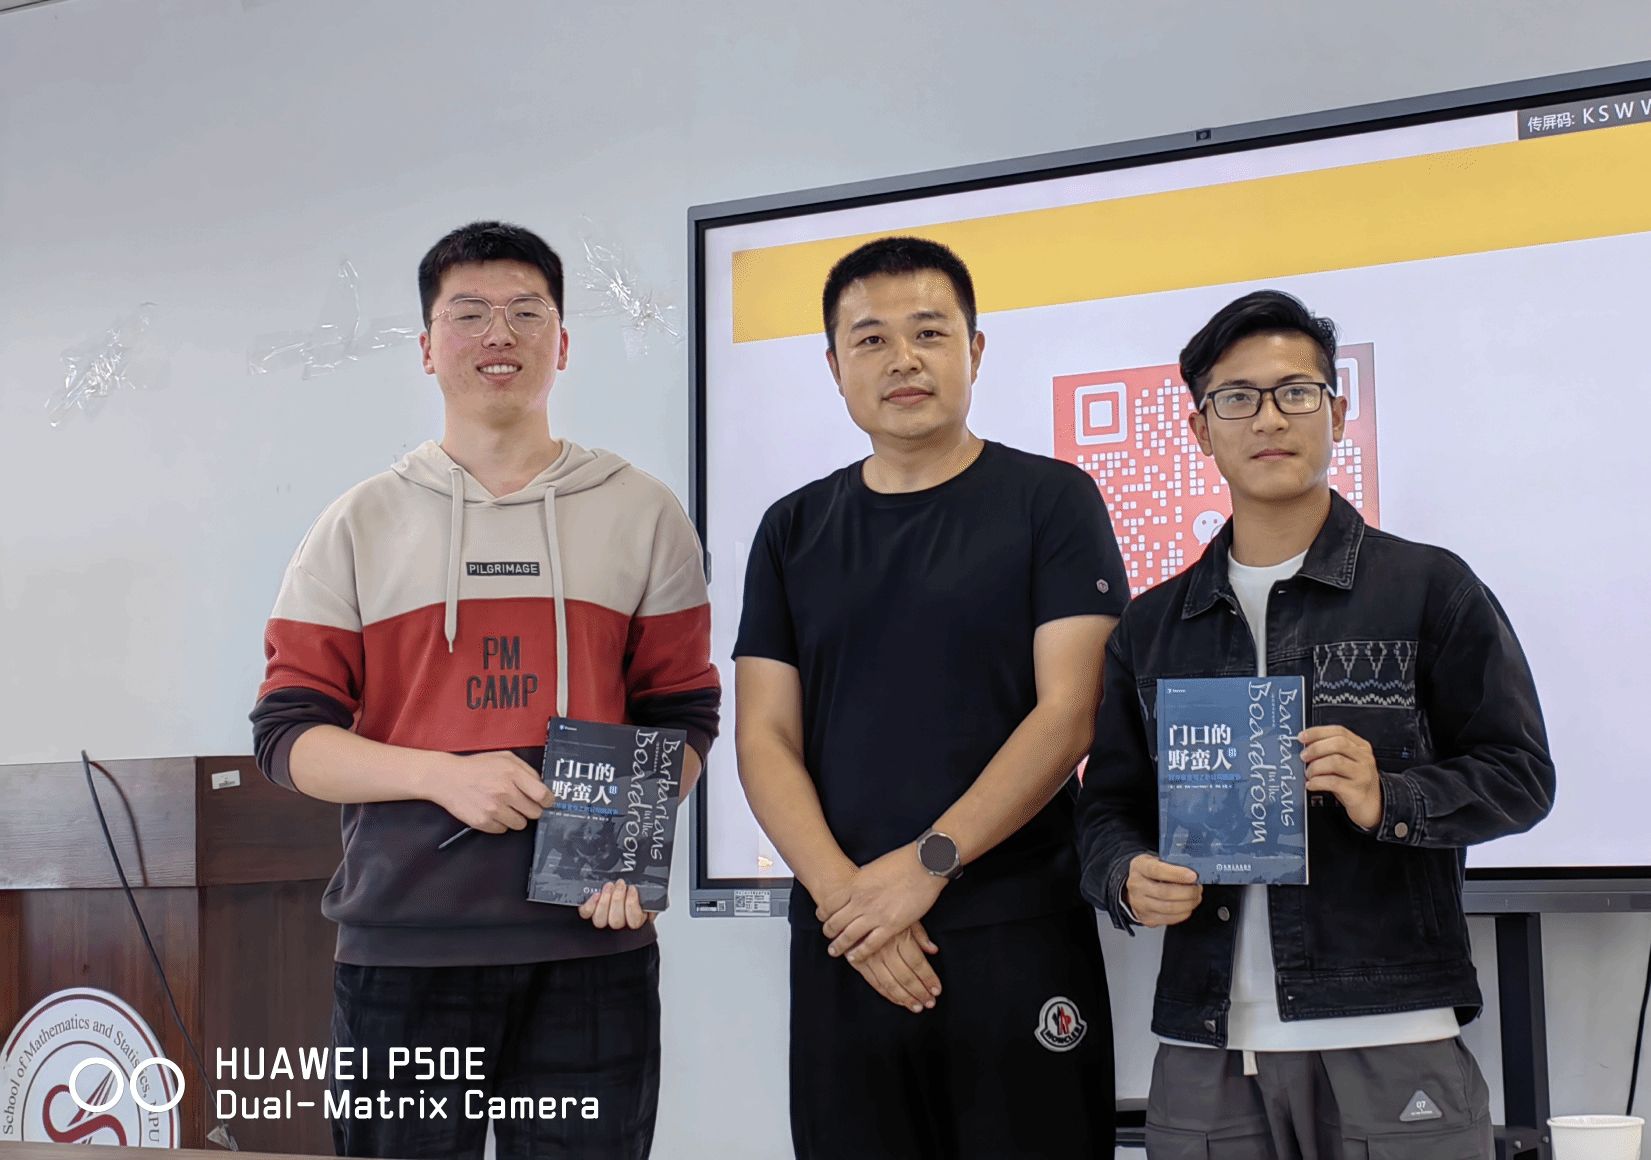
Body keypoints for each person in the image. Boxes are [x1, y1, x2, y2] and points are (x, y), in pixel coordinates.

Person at [249, 221, 719, 1160]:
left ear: (562, 342)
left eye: (525, 313)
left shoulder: (644, 512)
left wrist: (632, 850)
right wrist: (442, 775)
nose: (498, 334)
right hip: (403, 952)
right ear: (427, 348)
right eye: (468, 314)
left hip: (591, 952)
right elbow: (288, 736)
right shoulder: (357, 524)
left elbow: (682, 714)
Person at [1076, 290, 1555, 1160]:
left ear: (1335, 413)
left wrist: (1389, 796)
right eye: (1237, 398)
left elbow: (1520, 775)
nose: (1269, 418)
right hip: (1205, 1040)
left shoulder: (1429, 588)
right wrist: (1125, 875)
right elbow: (1107, 806)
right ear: (1201, 429)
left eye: (1296, 392)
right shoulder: (1152, 627)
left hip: (1391, 1024)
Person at [734, 235, 1128, 1160]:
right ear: (834, 368)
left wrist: (925, 866)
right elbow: (763, 737)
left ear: (975, 351)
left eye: (929, 332)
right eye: (870, 339)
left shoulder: (1052, 500)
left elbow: (1070, 712)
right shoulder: (792, 528)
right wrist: (850, 903)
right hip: (846, 941)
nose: (902, 359)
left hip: (1014, 925)